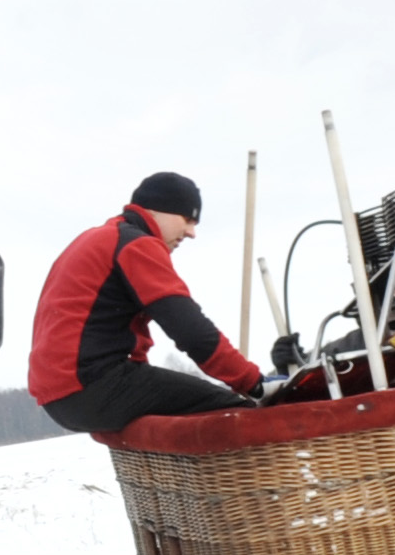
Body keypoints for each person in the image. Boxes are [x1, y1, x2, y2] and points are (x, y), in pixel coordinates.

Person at [26, 171, 264, 432]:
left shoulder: (98, 239)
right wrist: (254, 383)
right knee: (239, 415)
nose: (191, 233)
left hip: (59, 396)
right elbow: (190, 330)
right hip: (93, 385)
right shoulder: (136, 245)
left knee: (183, 411)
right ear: (157, 209)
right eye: (187, 219)